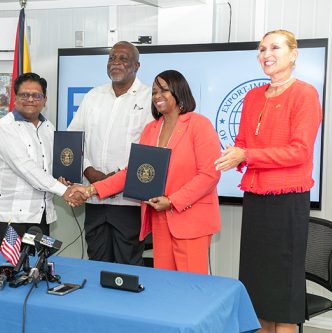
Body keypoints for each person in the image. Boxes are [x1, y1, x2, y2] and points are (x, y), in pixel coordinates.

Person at [214, 30, 323, 333]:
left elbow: (299, 151)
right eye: (262, 49)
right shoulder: (251, 96)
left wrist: (246, 153)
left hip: (287, 201)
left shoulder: (305, 94)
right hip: (256, 198)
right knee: (257, 285)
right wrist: (233, 155)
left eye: (275, 47)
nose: (266, 54)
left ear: (294, 54)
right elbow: (242, 142)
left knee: (282, 288)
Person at [72, 70, 221, 273]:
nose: (157, 96)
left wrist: (173, 201)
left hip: (190, 220)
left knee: (190, 289)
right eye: (154, 92)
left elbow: (209, 175)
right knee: (163, 286)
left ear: (179, 91)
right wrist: (90, 190)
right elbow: (133, 172)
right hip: (160, 221)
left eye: (164, 90)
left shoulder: (198, 124)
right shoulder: (152, 129)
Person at [67, 41, 153, 265]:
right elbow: (73, 139)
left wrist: (115, 180)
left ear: (137, 65)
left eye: (123, 59)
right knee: (96, 261)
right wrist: (88, 170)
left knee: (127, 265)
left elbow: (150, 150)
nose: (116, 62)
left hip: (128, 202)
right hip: (94, 199)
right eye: (112, 58)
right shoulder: (93, 96)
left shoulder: (149, 98)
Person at [0, 72, 81, 250]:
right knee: (9, 271)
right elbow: (26, 168)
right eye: (24, 95)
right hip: (11, 217)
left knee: (37, 269)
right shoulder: (6, 127)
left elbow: (48, 166)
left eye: (36, 95)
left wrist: (60, 179)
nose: (30, 99)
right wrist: (65, 191)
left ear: (44, 99)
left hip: (40, 216)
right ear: (15, 98)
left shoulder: (48, 127)